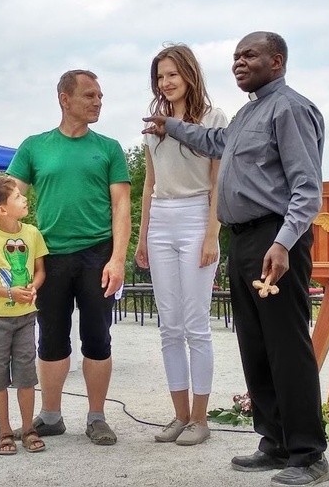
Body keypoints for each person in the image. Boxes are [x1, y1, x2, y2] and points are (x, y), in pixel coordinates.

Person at [143, 32, 329, 486]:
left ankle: (308, 455)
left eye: (249, 55)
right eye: (235, 57)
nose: (239, 63)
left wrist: (284, 243)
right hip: (245, 239)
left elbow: (307, 187)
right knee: (256, 344)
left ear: (278, 61)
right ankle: (274, 441)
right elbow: (215, 141)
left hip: (275, 238)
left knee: (287, 346)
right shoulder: (249, 113)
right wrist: (172, 127)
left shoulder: (291, 109)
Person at [0, 70, 131, 446]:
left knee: (97, 337)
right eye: (89, 95)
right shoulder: (35, 147)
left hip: (97, 254)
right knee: (51, 339)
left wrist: (117, 258)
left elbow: (122, 206)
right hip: (48, 256)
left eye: (100, 96)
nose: (97, 102)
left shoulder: (108, 148)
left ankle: (97, 417)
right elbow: (3, 199)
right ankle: (52, 416)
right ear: (64, 99)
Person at [135, 44, 228, 446]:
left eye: (172, 74)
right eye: (160, 76)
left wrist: (212, 234)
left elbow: (218, 182)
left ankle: (201, 419)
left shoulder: (214, 118)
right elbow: (149, 184)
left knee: (196, 326)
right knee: (169, 327)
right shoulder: (155, 122)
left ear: (189, 74)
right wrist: (142, 237)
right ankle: (179, 415)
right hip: (161, 220)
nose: (165, 82)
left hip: (196, 216)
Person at [0, 175, 48, 455]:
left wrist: (32, 288)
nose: (24, 198)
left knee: (26, 375)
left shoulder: (32, 234)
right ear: (2, 209)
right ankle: (5, 432)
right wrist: (9, 294)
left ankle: (28, 429)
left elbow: (40, 271)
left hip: (26, 316)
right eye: (17, 196)